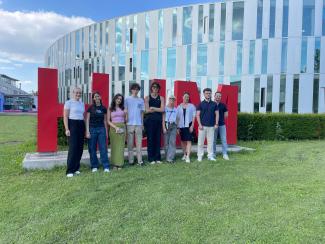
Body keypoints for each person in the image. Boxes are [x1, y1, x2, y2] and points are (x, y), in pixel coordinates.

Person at [63, 87, 85, 177]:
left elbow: (82, 115)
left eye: (80, 93)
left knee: (80, 147)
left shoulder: (82, 103)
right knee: (73, 148)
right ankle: (69, 170)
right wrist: (67, 129)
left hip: (81, 124)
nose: (78, 94)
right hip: (72, 124)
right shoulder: (68, 103)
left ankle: (76, 168)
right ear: (73, 93)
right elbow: (65, 117)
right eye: (77, 93)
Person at [86, 92, 110, 173]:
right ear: (93, 98)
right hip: (92, 129)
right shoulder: (90, 108)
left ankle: (106, 166)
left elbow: (105, 120)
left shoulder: (104, 108)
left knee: (103, 148)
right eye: (95, 96)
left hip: (101, 129)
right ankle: (94, 166)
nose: (96, 98)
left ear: (100, 97)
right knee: (92, 148)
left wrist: (106, 132)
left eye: (98, 96)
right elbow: (87, 120)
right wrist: (87, 131)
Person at [144, 82, 165, 164]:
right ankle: (151, 158)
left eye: (156, 87)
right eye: (153, 87)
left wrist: (153, 108)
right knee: (150, 140)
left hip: (158, 121)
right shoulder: (147, 98)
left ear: (158, 89)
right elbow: (146, 110)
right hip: (150, 121)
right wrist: (157, 109)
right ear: (151, 88)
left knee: (158, 140)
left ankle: (158, 158)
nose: (155, 88)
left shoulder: (161, 98)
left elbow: (163, 109)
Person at [196, 88, 219, 162]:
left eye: (209, 93)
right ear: (204, 94)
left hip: (211, 126)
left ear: (211, 94)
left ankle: (210, 156)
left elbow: (217, 114)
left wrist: (216, 123)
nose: (208, 94)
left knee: (210, 142)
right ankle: (200, 156)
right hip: (202, 126)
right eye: (206, 93)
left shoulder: (214, 104)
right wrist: (199, 124)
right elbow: (198, 115)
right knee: (200, 143)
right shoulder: (200, 104)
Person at [125, 83, 145, 165]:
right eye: (134, 89)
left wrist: (142, 123)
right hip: (129, 124)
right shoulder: (127, 99)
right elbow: (125, 111)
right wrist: (126, 120)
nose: (135, 91)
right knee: (130, 144)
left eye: (137, 89)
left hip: (139, 124)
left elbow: (142, 113)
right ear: (131, 90)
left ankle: (140, 161)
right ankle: (131, 161)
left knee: (139, 144)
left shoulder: (141, 100)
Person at [107, 94, 126, 170]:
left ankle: (120, 164)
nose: (119, 100)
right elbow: (108, 121)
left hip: (121, 127)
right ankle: (114, 164)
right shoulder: (110, 108)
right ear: (114, 99)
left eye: (120, 99)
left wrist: (126, 113)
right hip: (113, 128)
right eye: (117, 98)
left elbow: (126, 120)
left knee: (121, 147)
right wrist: (115, 127)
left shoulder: (123, 108)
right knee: (114, 147)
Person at [176, 92, 196, 163]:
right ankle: (184, 154)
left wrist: (192, 125)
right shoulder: (179, 107)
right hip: (181, 126)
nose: (186, 98)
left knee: (189, 141)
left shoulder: (192, 106)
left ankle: (188, 157)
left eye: (187, 97)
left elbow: (194, 116)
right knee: (182, 141)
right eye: (185, 97)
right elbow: (177, 118)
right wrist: (177, 127)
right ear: (182, 97)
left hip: (189, 125)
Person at [213, 91, 229, 160]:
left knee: (224, 139)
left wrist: (221, 119)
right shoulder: (212, 104)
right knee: (213, 140)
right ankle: (213, 153)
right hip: (213, 125)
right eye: (217, 96)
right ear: (214, 96)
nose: (218, 97)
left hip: (222, 125)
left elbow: (226, 115)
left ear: (220, 97)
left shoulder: (223, 105)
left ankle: (225, 154)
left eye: (219, 96)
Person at [162, 95, 178, 163]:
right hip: (166, 124)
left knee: (172, 142)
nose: (172, 101)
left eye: (173, 100)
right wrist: (163, 127)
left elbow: (177, 119)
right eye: (171, 99)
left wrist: (177, 128)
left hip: (173, 125)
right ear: (169, 100)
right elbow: (163, 119)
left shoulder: (175, 109)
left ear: (175, 101)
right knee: (166, 142)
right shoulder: (165, 108)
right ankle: (167, 156)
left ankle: (170, 158)